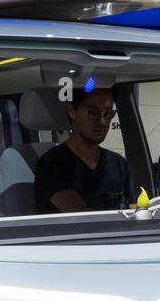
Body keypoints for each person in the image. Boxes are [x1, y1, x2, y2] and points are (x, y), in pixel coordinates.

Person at [35, 85, 136, 213]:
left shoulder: (119, 164)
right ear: (72, 111)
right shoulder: (51, 164)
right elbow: (80, 215)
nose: (102, 121)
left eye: (108, 113)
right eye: (93, 113)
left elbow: (133, 210)